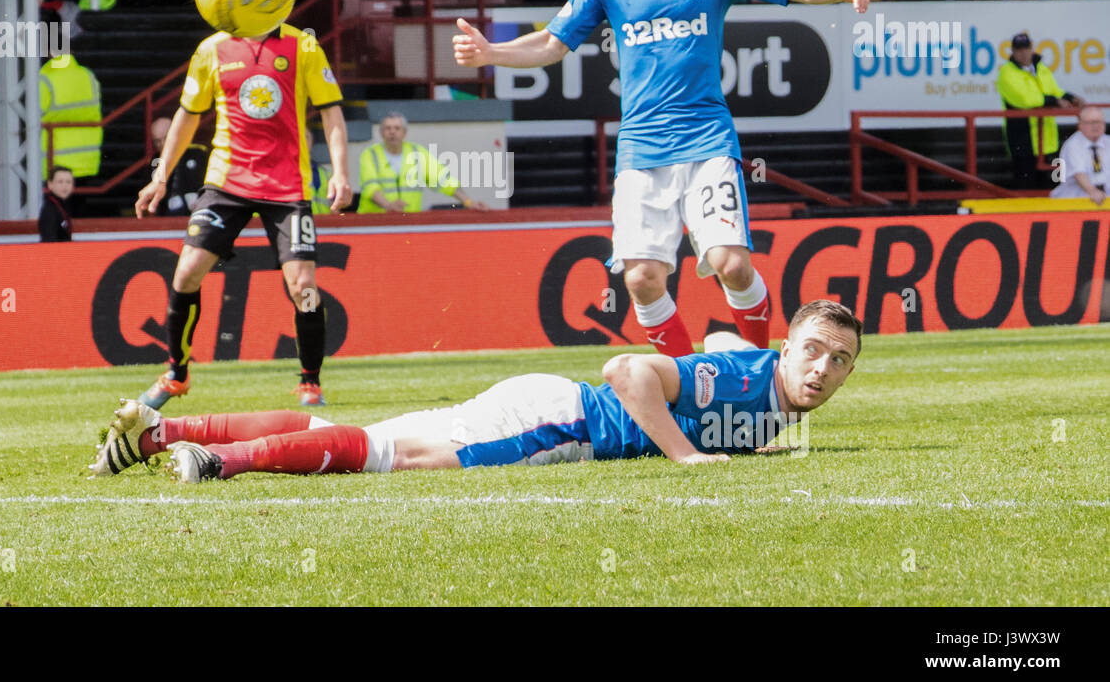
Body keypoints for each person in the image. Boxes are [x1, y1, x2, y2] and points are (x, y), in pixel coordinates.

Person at [454, 0, 868, 355]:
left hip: (707, 137)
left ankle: (762, 379)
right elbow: (552, 43)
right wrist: (491, 52)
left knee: (732, 264)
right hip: (642, 148)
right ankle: (692, 389)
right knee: (643, 279)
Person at [90, 300, 863, 481]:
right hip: (558, 421)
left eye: (841, 363)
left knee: (367, 432)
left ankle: (153, 436)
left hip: (546, 408)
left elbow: (728, 343)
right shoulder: (748, 377)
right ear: (788, 344)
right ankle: (215, 462)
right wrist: (687, 455)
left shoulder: (767, 385)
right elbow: (626, 372)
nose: (824, 370)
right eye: (815, 351)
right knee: (384, 455)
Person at [131, 21, 352, 410]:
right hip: (227, 182)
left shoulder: (303, 45)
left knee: (305, 287)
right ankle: (176, 374)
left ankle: (310, 382)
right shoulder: (212, 49)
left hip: (287, 185)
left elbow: (331, 113)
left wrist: (341, 172)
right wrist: (160, 175)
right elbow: (187, 114)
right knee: (186, 272)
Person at [356, 112, 490, 214]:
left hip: (409, 221)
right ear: (381, 133)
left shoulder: (417, 153)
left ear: (404, 133)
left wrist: (468, 202)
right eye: (388, 128)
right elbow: (370, 188)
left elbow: (443, 179)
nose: (392, 132)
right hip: (374, 222)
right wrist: (388, 206)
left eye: (397, 128)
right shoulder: (370, 155)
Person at [996, 32, 1083, 188]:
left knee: (1051, 188)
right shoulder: (1006, 72)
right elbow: (1025, 99)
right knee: (1027, 189)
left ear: (1032, 48)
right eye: (1019, 49)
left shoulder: (1040, 67)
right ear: (1013, 52)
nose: (1023, 53)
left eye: (1026, 48)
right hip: (1023, 140)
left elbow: (1054, 90)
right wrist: (1055, 101)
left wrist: (1070, 98)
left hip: (1047, 140)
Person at [39, 53, 102, 180]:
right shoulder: (88, 76)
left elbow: (32, 117)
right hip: (87, 160)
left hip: (54, 161)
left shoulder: (44, 80)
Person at [1050, 106, 1110, 203]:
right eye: (1090, 122)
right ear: (1080, 125)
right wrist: (1093, 192)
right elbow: (1079, 174)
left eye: (1099, 122)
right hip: (1074, 203)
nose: (1095, 126)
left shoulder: (1108, 142)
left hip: (1105, 202)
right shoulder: (1073, 144)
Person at [149, 115, 207, 216]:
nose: (162, 144)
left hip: (200, 214)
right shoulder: (155, 161)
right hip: (169, 218)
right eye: (157, 141)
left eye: (165, 138)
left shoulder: (198, 153)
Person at [38, 166, 75, 242]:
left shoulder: (62, 205)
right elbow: (49, 240)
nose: (65, 186)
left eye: (68, 182)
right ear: (50, 184)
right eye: (60, 182)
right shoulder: (50, 210)